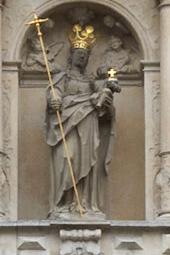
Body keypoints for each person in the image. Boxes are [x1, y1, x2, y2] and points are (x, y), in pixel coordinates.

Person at [45, 41, 119, 215]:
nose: (82, 57)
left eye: (85, 55)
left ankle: (84, 203)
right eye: (79, 53)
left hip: (88, 122)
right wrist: (54, 99)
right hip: (67, 122)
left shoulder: (91, 81)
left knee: (88, 161)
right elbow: (55, 91)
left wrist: (104, 101)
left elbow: (105, 109)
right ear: (71, 56)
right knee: (67, 157)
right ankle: (63, 204)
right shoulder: (62, 77)